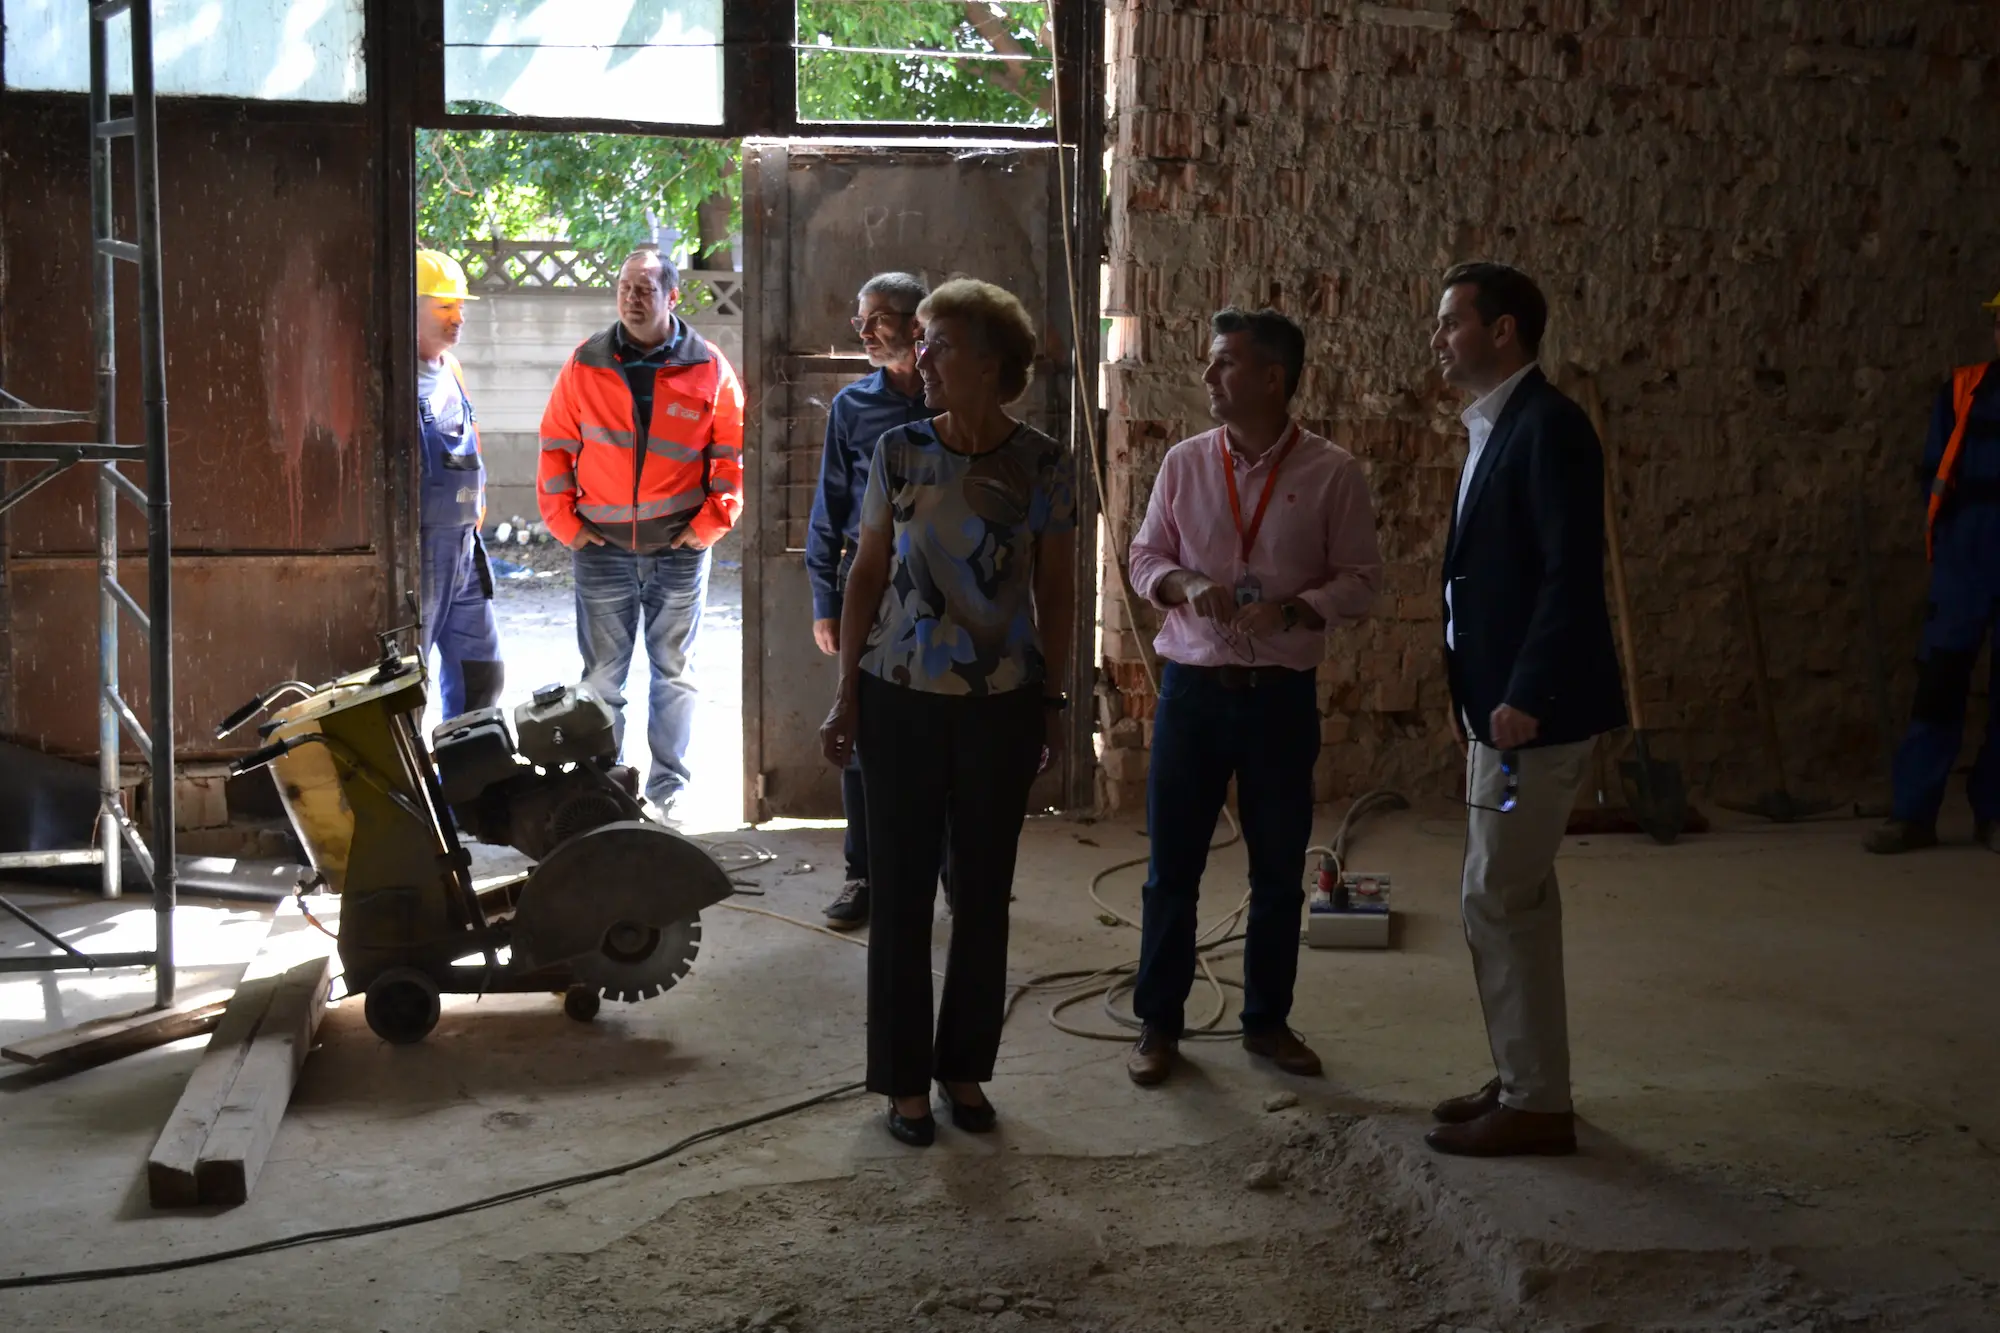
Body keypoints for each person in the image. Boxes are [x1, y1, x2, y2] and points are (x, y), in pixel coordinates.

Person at [818, 278, 1075, 1148]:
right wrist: (846, 689)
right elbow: (866, 572)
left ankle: (963, 1067)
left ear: (992, 364)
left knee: (983, 893)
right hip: (899, 700)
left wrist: (1053, 699)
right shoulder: (898, 452)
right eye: (920, 340)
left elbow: (1055, 588)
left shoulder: (1042, 463)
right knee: (898, 893)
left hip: (1001, 705)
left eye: (940, 343)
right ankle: (903, 1083)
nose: (921, 356)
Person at [1123, 307, 1381, 1090]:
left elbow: (1362, 582)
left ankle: (1267, 1021)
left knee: (1276, 872)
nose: (1208, 376)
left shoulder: (1332, 472)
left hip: (1279, 698)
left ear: (1273, 378)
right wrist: (1182, 582)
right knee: (1171, 867)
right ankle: (1159, 1023)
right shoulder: (1184, 463)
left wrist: (1298, 609)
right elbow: (1144, 556)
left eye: (1225, 363)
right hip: (1192, 692)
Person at [1425, 262, 1626, 1157]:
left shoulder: (1550, 427)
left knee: (1500, 893)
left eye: (1452, 321)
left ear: (1502, 330)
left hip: (1529, 718)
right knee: (1506, 893)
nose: (1438, 338)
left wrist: (1524, 694)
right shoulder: (1494, 426)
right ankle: (1522, 1073)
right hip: (1499, 711)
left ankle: (1536, 1101)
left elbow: (1568, 575)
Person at [536, 248, 745, 821]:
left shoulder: (708, 367)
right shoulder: (586, 363)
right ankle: (609, 784)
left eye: (646, 289)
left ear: (672, 296)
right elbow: (556, 445)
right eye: (625, 287)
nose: (632, 298)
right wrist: (566, 524)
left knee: (674, 673)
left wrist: (710, 525)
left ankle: (670, 785)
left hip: (680, 549)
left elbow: (729, 455)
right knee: (602, 678)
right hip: (600, 548)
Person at [805, 272, 937, 928]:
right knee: (858, 728)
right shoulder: (853, 407)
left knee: (943, 732)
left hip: (946, 593)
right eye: (860, 320)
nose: (863, 332)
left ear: (918, 323)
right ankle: (863, 874)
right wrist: (825, 600)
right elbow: (828, 509)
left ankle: (951, 872)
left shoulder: (953, 400)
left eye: (877, 318)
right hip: (870, 590)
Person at [1865, 288, 2000, 856]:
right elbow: (1935, 472)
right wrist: (1948, 548)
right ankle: (1913, 814)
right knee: (1939, 685)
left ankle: (1994, 813)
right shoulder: (1965, 389)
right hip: (1966, 558)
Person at [414, 250, 503, 719]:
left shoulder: (453, 369)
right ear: (409, 309)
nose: (458, 317)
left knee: (480, 672)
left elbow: (471, 442)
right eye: (444, 306)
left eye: (460, 306)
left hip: (466, 543)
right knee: (407, 682)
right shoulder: (390, 379)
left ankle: (466, 763)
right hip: (420, 549)